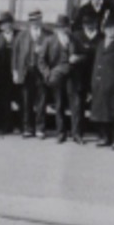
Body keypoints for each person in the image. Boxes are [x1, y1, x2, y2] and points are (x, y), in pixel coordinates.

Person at [90, 16, 114, 148]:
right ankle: (104, 137)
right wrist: (93, 83)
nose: (112, 31)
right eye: (109, 29)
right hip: (100, 84)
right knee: (101, 113)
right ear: (105, 30)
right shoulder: (100, 44)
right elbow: (96, 64)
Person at [12, 10, 49, 138]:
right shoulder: (21, 36)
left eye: (38, 20)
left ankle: (40, 129)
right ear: (29, 22)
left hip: (42, 72)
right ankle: (27, 128)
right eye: (33, 21)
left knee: (41, 101)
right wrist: (15, 72)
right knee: (26, 101)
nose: (36, 23)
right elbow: (15, 54)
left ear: (41, 20)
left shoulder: (48, 35)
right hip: (26, 71)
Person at [67, 11, 101, 144]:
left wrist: (82, 56)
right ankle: (77, 134)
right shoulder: (76, 36)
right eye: (87, 24)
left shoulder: (101, 37)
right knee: (77, 106)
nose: (89, 26)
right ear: (83, 25)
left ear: (96, 24)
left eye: (92, 23)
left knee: (97, 106)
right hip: (78, 76)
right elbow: (71, 55)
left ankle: (100, 134)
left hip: (95, 75)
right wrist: (83, 57)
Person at [40, 14, 74, 143]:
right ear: (56, 28)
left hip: (72, 76)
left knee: (74, 105)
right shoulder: (49, 40)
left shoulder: (72, 39)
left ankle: (76, 132)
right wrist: (47, 74)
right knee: (59, 105)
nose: (62, 29)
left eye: (64, 27)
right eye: (60, 27)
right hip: (56, 77)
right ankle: (61, 133)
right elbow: (41, 60)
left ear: (68, 27)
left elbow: (81, 54)